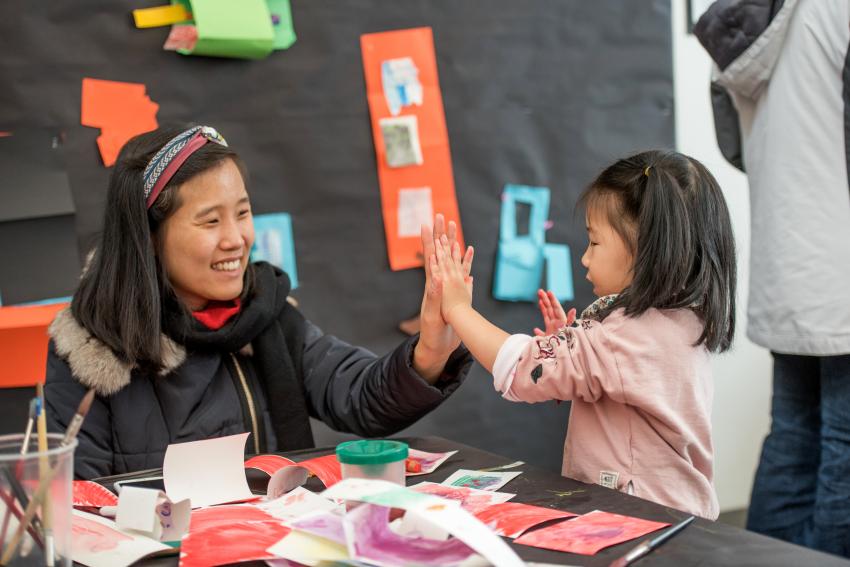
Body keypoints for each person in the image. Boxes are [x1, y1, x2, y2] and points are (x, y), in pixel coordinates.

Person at [44, 124, 473, 479]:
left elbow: (362, 396)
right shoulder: (93, 349)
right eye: (210, 220)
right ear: (150, 237)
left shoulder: (266, 315)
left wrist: (432, 350)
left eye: (243, 213)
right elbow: (79, 511)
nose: (236, 239)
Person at [430, 150, 736, 519]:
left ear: (646, 250)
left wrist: (458, 309)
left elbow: (522, 370)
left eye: (594, 242)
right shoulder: (680, 321)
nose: (585, 259)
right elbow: (617, 386)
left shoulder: (628, 335)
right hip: (675, 515)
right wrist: (569, 346)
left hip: (641, 520)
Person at [695, 0, 850, 556]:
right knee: (843, 445)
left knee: (792, 434)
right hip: (842, 270)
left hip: (787, 264)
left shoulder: (747, 15)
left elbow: (735, 148)